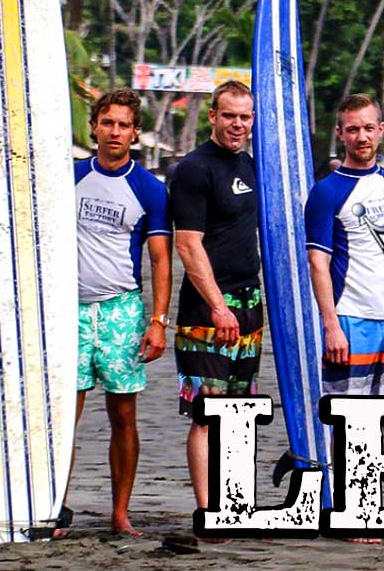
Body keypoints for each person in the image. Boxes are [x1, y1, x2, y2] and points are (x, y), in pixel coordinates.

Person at [70, 88, 170, 536]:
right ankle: (53, 505)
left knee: (123, 415)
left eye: (124, 125)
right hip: (67, 309)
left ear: (135, 133)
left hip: (120, 309)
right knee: (61, 416)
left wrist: (158, 320)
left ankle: (120, 513)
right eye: (107, 122)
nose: (114, 132)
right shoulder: (68, 177)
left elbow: (161, 259)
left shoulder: (149, 189)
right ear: (94, 126)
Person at [169, 80, 263, 514]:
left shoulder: (252, 165)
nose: (237, 125)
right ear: (212, 117)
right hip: (206, 310)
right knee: (209, 413)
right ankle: (210, 510)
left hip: (249, 306)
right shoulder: (193, 168)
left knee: (239, 413)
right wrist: (218, 306)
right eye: (229, 116)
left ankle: (234, 504)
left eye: (245, 117)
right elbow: (188, 245)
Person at [305, 94, 384, 398]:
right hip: (351, 320)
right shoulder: (326, 191)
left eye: (367, 128)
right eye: (352, 130)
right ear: (340, 134)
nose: (361, 137)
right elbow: (317, 263)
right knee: (350, 422)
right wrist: (331, 326)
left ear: (381, 130)